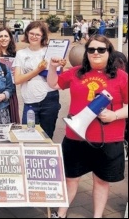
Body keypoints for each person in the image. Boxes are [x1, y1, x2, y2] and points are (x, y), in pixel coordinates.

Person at [47, 35, 128, 218]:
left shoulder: (121, 76)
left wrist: (114, 115)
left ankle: (97, 216)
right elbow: (53, 83)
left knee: (101, 181)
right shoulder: (77, 72)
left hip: (107, 138)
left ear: (109, 52)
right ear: (86, 53)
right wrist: (53, 67)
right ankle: (61, 214)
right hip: (76, 137)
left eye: (101, 49)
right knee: (70, 178)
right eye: (91, 50)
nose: (96, 53)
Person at [13, 21, 62, 139]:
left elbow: (58, 78)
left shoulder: (50, 52)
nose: (34, 36)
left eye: (37, 34)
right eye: (31, 33)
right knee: (29, 137)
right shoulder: (21, 54)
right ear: (27, 34)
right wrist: (37, 70)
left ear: (43, 36)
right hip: (29, 100)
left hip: (49, 98)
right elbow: (17, 79)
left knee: (47, 137)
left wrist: (61, 66)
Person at [0, 27, 20, 124]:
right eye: (0, 36)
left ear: (10, 38)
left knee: (11, 117)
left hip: (11, 90)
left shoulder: (15, 54)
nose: (3, 38)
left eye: (6, 36)